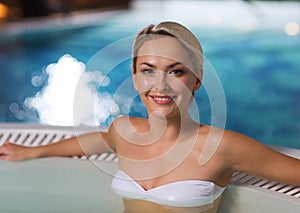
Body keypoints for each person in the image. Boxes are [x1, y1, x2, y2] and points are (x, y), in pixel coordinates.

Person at [0, 21, 300, 213]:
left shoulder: (221, 146)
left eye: (176, 71)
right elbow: (99, 141)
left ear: (196, 79)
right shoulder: (124, 131)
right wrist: (33, 150)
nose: (160, 85)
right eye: (148, 70)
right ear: (134, 77)